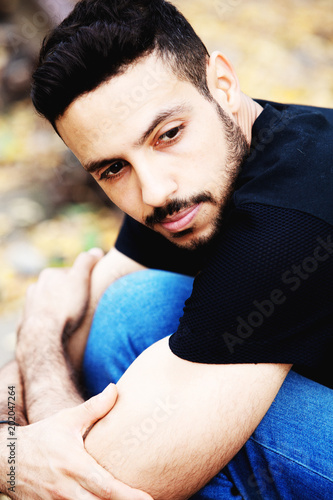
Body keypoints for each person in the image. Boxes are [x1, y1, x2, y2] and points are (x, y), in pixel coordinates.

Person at [1, 0, 333, 498]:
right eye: (113, 168)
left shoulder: (289, 219)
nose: (154, 192)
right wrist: (43, 334)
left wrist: (18, 450)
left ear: (222, 83)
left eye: (168, 135)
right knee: (128, 311)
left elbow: (88, 484)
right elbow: (83, 323)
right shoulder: (200, 178)